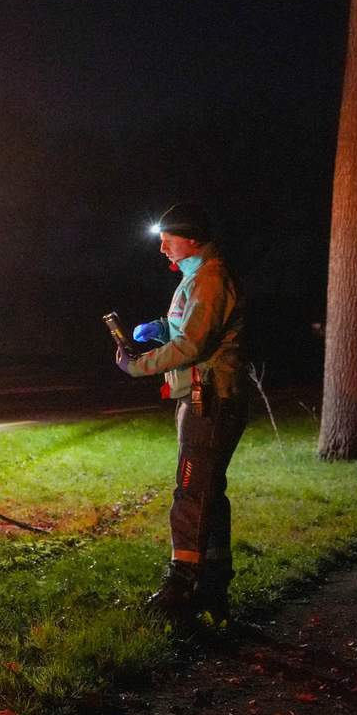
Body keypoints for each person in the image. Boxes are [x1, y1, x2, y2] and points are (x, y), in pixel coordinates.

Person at [115, 202, 248, 622]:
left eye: (167, 239)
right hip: (202, 397)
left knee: (191, 493)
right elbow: (188, 330)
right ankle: (211, 582)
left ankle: (180, 589)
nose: (162, 249)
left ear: (191, 238)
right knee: (209, 491)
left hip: (208, 401)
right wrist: (160, 328)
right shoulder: (198, 278)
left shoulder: (209, 278)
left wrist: (137, 365)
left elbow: (193, 346)